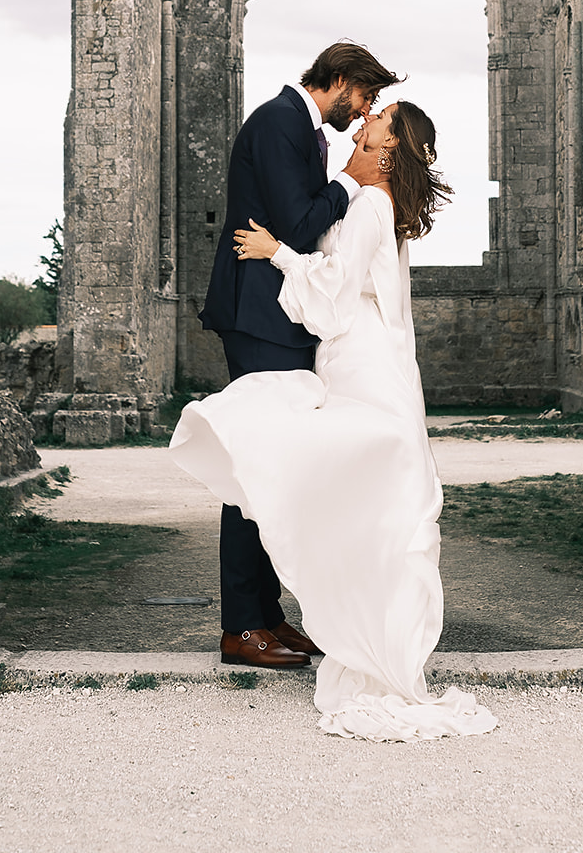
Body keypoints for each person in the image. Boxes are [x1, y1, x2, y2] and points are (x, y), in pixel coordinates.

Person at [173, 101, 499, 742]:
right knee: (364, 496)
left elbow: (336, 294)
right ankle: (333, 622)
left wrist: (278, 254)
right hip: (365, 353)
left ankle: (359, 637)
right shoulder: (379, 204)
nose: (370, 116)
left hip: (357, 353)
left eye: (383, 117)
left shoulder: (374, 206)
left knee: (352, 487)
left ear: (391, 143)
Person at [198, 41, 400, 670]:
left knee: (275, 465)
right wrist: (351, 180)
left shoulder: (299, 128)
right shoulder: (279, 120)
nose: (364, 110)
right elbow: (295, 218)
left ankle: (267, 614)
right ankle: (241, 627)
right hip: (258, 317)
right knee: (252, 466)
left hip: (279, 318)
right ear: (339, 81)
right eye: (364, 96)